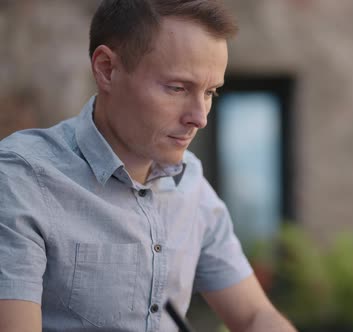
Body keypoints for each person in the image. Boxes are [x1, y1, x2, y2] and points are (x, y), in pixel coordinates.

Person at [0, 1, 297, 331]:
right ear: (106, 69)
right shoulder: (22, 179)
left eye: (211, 92)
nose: (199, 118)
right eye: (177, 88)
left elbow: (255, 315)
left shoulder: (191, 185)